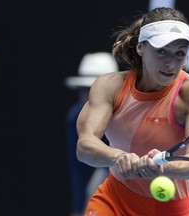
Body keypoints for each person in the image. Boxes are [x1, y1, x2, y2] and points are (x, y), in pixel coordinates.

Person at [76, 7, 189, 216]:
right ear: (141, 48)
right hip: (115, 202)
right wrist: (118, 157)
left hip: (173, 210)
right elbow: (84, 147)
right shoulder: (109, 86)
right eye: (161, 51)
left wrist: (163, 167)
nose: (170, 63)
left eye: (180, 54)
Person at [64, 52, 119, 216]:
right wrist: (78, 209)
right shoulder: (74, 117)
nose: (88, 96)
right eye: (84, 89)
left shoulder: (128, 115)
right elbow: (78, 172)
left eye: (95, 89)